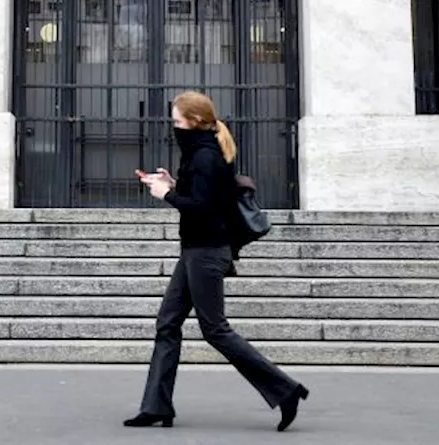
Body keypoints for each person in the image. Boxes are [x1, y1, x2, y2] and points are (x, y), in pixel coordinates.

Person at [124, 91, 309, 432]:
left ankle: (285, 390)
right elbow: (203, 197)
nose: (174, 127)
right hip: (196, 248)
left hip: (206, 251)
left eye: (177, 122)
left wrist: (166, 195)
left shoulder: (205, 155)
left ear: (194, 122)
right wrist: (173, 184)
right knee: (168, 322)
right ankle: (156, 405)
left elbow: (203, 209)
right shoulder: (200, 152)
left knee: (215, 329)